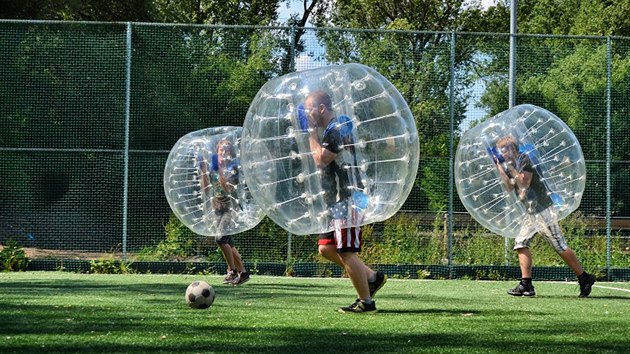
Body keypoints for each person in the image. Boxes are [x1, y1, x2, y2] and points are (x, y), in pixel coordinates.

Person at [301, 90, 387, 313]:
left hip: (348, 198)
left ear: (321, 108)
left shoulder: (338, 126)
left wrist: (310, 133)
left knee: (346, 250)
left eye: (309, 108)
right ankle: (370, 276)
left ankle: (366, 303)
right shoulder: (330, 130)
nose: (307, 114)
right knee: (326, 249)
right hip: (337, 200)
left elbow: (321, 159)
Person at [494, 135, 594, 297]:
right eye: (501, 151)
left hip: (544, 209)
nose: (502, 153)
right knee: (520, 243)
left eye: (504, 150)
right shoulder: (510, 165)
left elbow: (523, 182)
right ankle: (526, 285)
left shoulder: (525, 160)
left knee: (559, 245)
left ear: (513, 149)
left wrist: (509, 168)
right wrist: (500, 167)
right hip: (531, 212)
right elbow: (509, 187)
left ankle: (584, 278)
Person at [197, 139, 250, 286]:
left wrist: (220, 170)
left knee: (220, 239)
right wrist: (203, 171)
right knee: (229, 243)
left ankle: (232, 271)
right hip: (217, 207)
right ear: (217, 151)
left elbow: (228, 189)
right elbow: (206, 188)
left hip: (230, 208)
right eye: (221, 149)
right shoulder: (212, 167)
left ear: (230, 153)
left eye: (226, 149)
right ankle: (243, 273)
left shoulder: (233, 168)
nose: (223, 152)